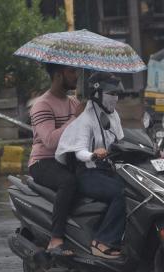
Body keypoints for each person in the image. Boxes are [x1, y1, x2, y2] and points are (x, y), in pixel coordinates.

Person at [56, 72, 126, 259]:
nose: (115, 98)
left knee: (137, 190)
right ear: (97, 93)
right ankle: (102, 241)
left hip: (109, 170)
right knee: (120, 193)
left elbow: (122, 141)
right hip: (88, 172)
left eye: (116, 94)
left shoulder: (114, 116)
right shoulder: (86, 119)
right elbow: (79, 151)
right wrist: (93, 154)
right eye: (111, 94)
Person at [28, 63, 83, 256]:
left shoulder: (75, 103)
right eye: (71, 72)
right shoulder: (42, 104)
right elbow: (50, 141)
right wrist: (75, 118)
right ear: (58, 75)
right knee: (68, 182)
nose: (76, 76)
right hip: (44, 161)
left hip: (69, 160)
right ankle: (56, 239)